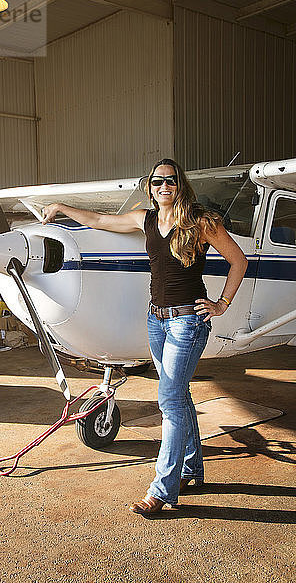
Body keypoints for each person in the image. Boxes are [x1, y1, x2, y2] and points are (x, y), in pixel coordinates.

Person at [42, 158, 248, 516]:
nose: (164, 186)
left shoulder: (202, 222)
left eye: (170, 180)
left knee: (168, 401)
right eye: (157, 182)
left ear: (179, 184)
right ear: (150, 187)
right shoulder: (145, 218)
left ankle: (162, 490)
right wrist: (60, 207)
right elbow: (100, 220)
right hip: (156, 320)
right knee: (178, 396)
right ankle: (191, 469)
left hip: (188, 323)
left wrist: (222, 303)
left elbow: (238, 261)